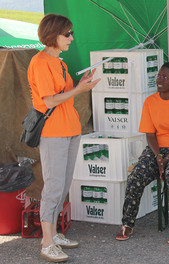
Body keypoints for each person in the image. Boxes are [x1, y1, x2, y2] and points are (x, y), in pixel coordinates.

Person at [28, 14, 100, 262]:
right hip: (53, 132)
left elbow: (64, 95)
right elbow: (48, 101)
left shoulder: (60, 63)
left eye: (71, 33)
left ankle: (54, 234)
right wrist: (79, 89)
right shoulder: (40, 63)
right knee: (54, 185)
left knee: (63, 184)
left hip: (70, 129)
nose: (71, 38)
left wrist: (79, 85)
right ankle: (47, 243)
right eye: (67, 33)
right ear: (53, 34)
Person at [115, 62, 169, 244]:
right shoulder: (150, 102)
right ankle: (127, 223)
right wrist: (159, 156)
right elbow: (150, 134)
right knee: (136, 176)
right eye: (158, 76)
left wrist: (167, 158)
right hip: (156, 151)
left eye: (165, 77)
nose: (160, 80)